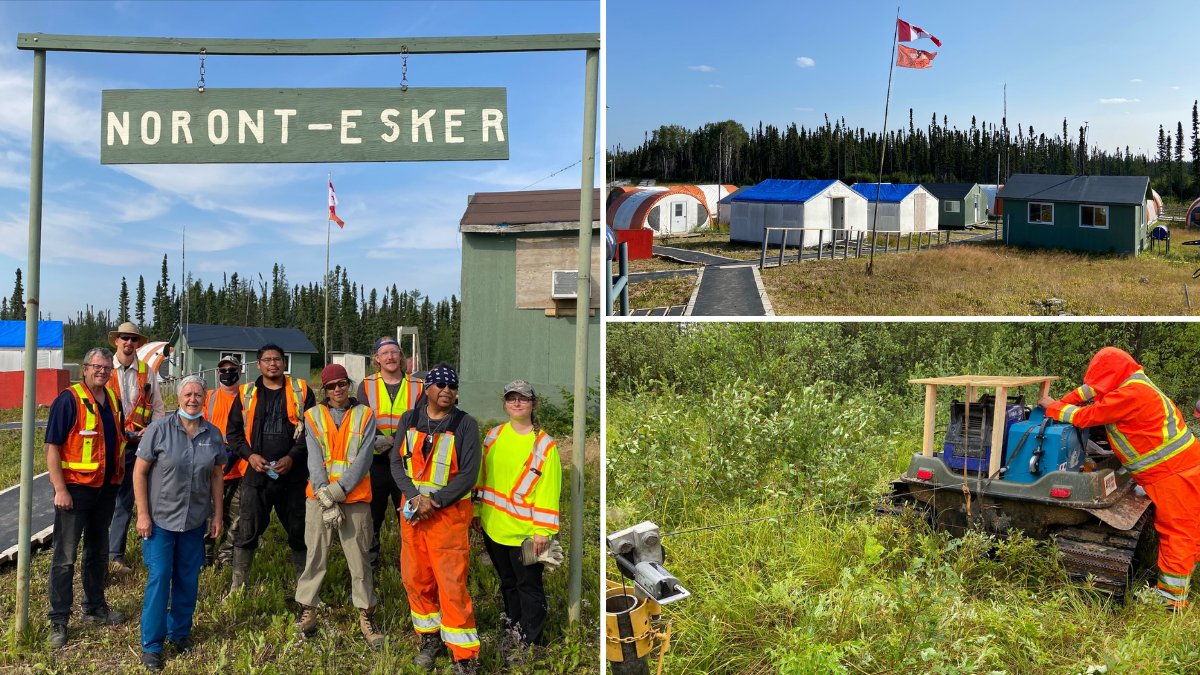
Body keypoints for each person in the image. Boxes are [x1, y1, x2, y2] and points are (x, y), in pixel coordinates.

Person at [1040, 346, 1200, 610]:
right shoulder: (1130, 380)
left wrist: (1053, 407)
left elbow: (1086, 416)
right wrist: (1064, 399)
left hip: (1174, 473)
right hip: (1176, 468)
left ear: (1111, 374)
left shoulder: (1131, 394)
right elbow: (1089, 391)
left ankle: (1171, 602)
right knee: (1188, 527)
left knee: (1179, 531)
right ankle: (1177, 585)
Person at [390, 364, 482, 674]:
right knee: (416, 578)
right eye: (440, 385)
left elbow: (469, 474)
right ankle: (430, 638)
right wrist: (415, 497)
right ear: (427, 388)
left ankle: (463, 656)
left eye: (452, 386)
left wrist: (436, 500)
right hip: (414, 516)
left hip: (448, 518)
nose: (447, 390)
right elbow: (397, 464)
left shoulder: (465, 424)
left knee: (451, 585)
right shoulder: (409, 419)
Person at [132, 375, 225, 670]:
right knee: (160, 578)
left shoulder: (213, 434)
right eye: (188, 394)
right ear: (178, 398)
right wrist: (143, 514)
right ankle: (152, 645)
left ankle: (180, 633)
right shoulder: (159, 430)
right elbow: (139, 473)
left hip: (194, 521)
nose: (193, 399)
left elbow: (217, 476)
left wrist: (218, 515)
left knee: (188, 578)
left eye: (198, 394)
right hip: (160, 521)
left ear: (205, 399)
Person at [295, 364, 384, 648]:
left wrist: (335, 492)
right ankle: (308, 609)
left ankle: (366, 615)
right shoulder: (313, 416)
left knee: (360, 560)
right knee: (315, 556)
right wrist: (324, 494)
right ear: (324, 389)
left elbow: (363, 460)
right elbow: (313, 459)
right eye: (332, 386)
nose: (337, 390)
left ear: (349, 384)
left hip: (354, 499)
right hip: (318, 498)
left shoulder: (365, 414)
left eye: (342, 384)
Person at [44, 347, 127, 649]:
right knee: (65, 557)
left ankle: (94, 607)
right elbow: (52, 447)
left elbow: (117, 439)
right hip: (75, 490)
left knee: (97, 551)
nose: (102, 371)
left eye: (107, 368)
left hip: (105, 489)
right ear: (85, 368)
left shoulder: (113, 399)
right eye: (97, 366)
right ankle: (59, 619)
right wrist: (60, 489)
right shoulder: (69, 400)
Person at [474, 381, 563, 660]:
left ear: (533, 404)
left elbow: (549, 490)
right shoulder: (494, 436)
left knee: (530, 587)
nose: (516, 403)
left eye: (523, 399)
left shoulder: (544, 445)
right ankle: (514, 629)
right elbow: (482, 475)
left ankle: (531, 643)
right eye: (511, 398)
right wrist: (476, 512)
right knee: (508, 582)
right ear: (505, 403)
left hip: (527, 535)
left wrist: (543, 531)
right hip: (494, 527)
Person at [224, 343, 316, 594]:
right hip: (256, 476)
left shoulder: (301, 390)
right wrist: (250, 456)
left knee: (299, 531)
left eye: (277, 359)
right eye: (267, 360)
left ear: (284, 363)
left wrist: (293, 457)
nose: (273, 364)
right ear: (258, 365)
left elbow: (312, 431)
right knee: (247, 530)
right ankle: (237, 589)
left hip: (293, 477)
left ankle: (305, 590)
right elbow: (233, 434)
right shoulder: (246, 393)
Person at [358, 336, 424, 569]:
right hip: (376, 462)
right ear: (377, 359)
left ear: (401, 355)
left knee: (408, 514)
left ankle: (412, 564)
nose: (390, 357)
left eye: (394, 352)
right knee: (372, 516)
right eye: (384, 353)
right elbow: (364, 420)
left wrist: (394, 448)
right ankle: (370, 565)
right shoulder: (366, 385)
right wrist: (386, 446)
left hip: (407, 462)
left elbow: (420, 420)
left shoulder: (418, 385)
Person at [107, 321, 166, 575]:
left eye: (133, 339)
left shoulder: (146, 371)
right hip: (107, 445)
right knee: (102, 500)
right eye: (124, 338)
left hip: (136, 446)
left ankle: (114, 556)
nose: (129, 343)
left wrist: (150, 431)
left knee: (125, 500)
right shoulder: (103, 368)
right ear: (116, 341)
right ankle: (97, 554)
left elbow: (159, 409)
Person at [202, 355, 246, 566]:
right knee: (208, 515)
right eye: (223, 370)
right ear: (218, 373)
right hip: (214, 467)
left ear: (240, 371)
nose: (227, 374)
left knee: (236, 517)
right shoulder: (209, 397)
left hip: (241, 467)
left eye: (232, 370)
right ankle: (205, 555)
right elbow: (199, 428)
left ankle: (226, 556)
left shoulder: (248, 397)